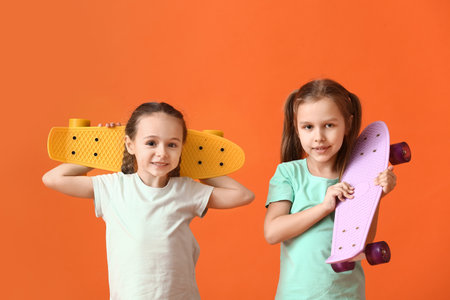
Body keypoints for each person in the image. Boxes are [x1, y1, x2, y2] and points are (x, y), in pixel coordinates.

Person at [42, 102, 254, 300]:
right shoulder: (113, 187)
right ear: (130, 144)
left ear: (182, 148)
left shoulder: (187, 190)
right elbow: (52, 179)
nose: (161, 153)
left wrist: (206, 166)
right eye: (151, 143)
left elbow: (244, 195)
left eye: (172, 145)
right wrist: (92, 152)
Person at [264, 79, 397, 299]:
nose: (318, 137)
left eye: (329, 125)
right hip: (296, 295)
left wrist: (376, 195)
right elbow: (272, 232)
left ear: (347, 124)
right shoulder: (288, 173)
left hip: (346, 294)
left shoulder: (359, 174)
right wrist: (324, 207)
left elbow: (361, 241)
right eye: (308, 127)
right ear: (296, 128)